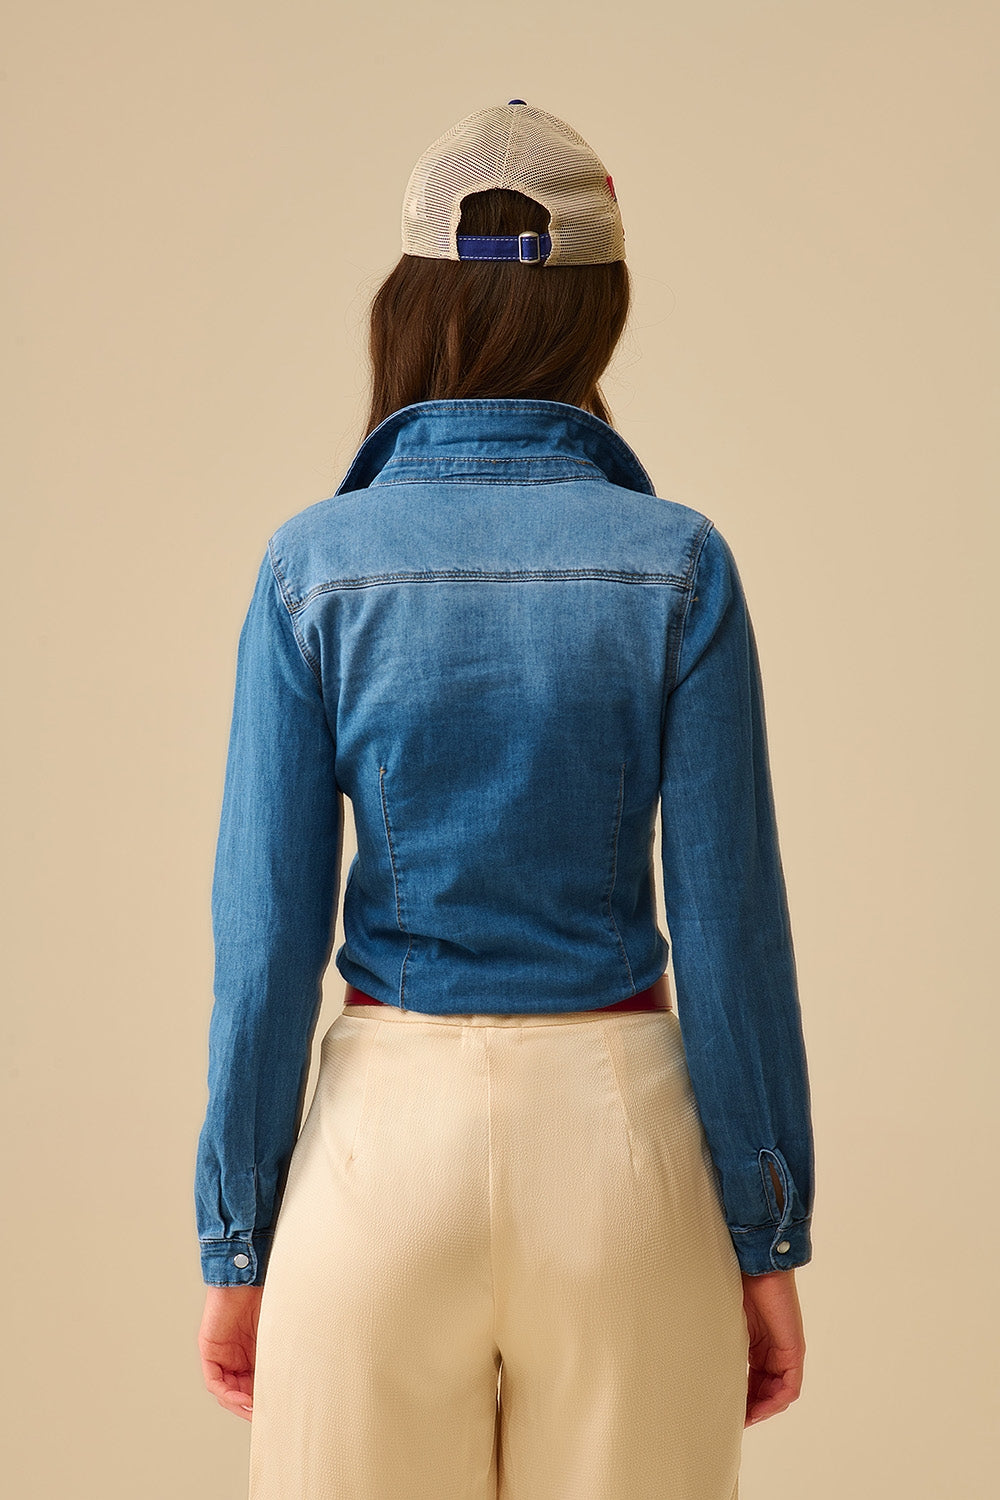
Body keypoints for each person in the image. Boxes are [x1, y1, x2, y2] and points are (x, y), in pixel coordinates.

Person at [194, 100, 814, 1499]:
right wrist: (766, 1235)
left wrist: (236, 1244)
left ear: (412, 297)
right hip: (623, 1160)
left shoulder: (312, 566)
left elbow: (266, 947)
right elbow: (732, 934)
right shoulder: (679, 565)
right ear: (602, 309)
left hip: (377, 1162)